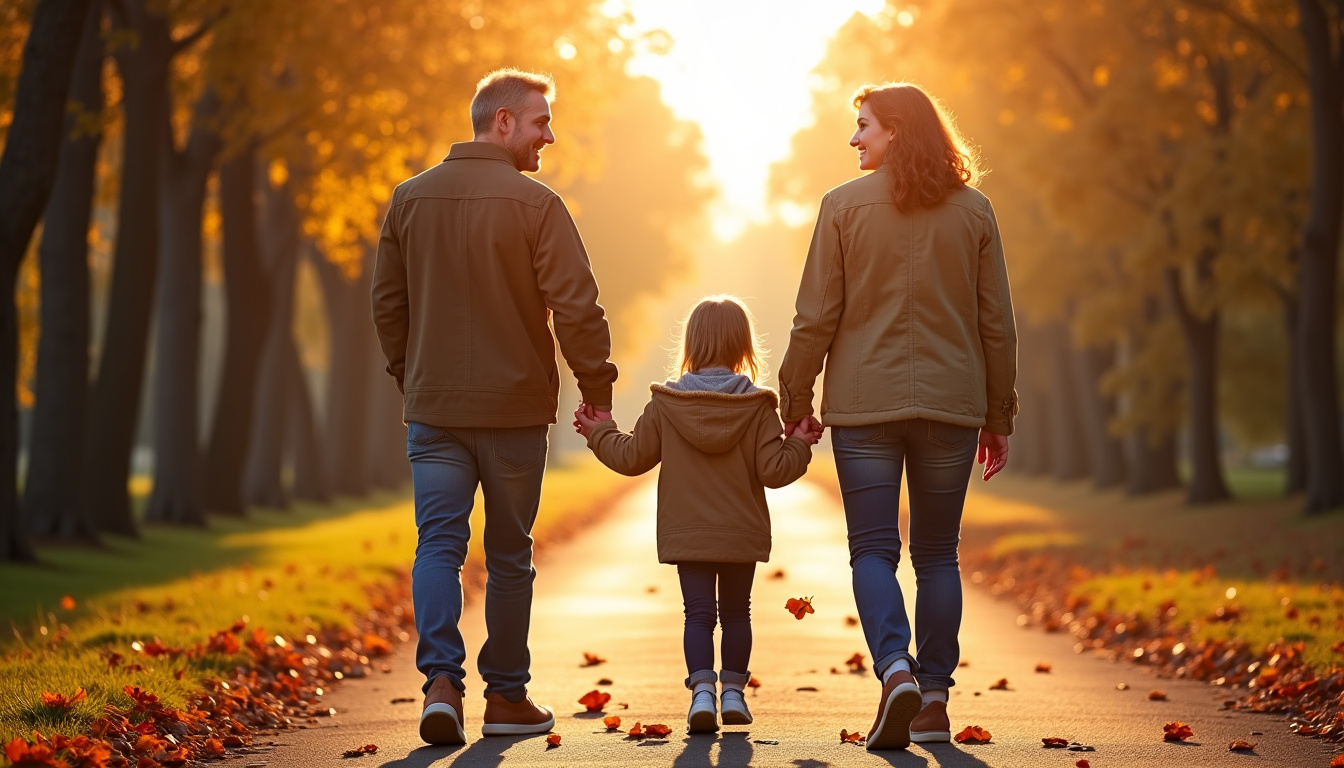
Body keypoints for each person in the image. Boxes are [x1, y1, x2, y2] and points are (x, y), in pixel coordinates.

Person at [371, 68, 618, 745]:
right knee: (509, 555)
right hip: (514, 411)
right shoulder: (538, 205)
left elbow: (388, 305)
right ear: (502, 121)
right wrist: (597, 391)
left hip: (435, 410)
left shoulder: (408, 199)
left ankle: (441, 685)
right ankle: (506, 697)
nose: (550, 136)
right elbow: (578, 307)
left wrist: (413, 378)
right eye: (541, 121)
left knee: (438, 545)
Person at [777, 82, 1018, 750]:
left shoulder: (841, 207)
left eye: (864, 125)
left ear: (897, 131)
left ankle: (894, 670)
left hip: (865, 408)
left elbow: (813, 317)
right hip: (951, 406)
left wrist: (795, 400)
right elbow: (997, 324)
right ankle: (934, 699)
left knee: (873, 550)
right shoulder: (975, 211)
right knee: (938, 553)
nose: (854, 137)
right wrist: (998, 415)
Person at [572, 296, 818, 734]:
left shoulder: (667, 403)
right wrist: (799, 442)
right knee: (737, 613)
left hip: (687, 532)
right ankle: (734, 693)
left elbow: (631, 456)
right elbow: (775, 471)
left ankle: (702, 694)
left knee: (698, 615)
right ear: (743, 347)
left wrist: (599, 432)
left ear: (691, 343)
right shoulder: (759, 407)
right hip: (740, 532)